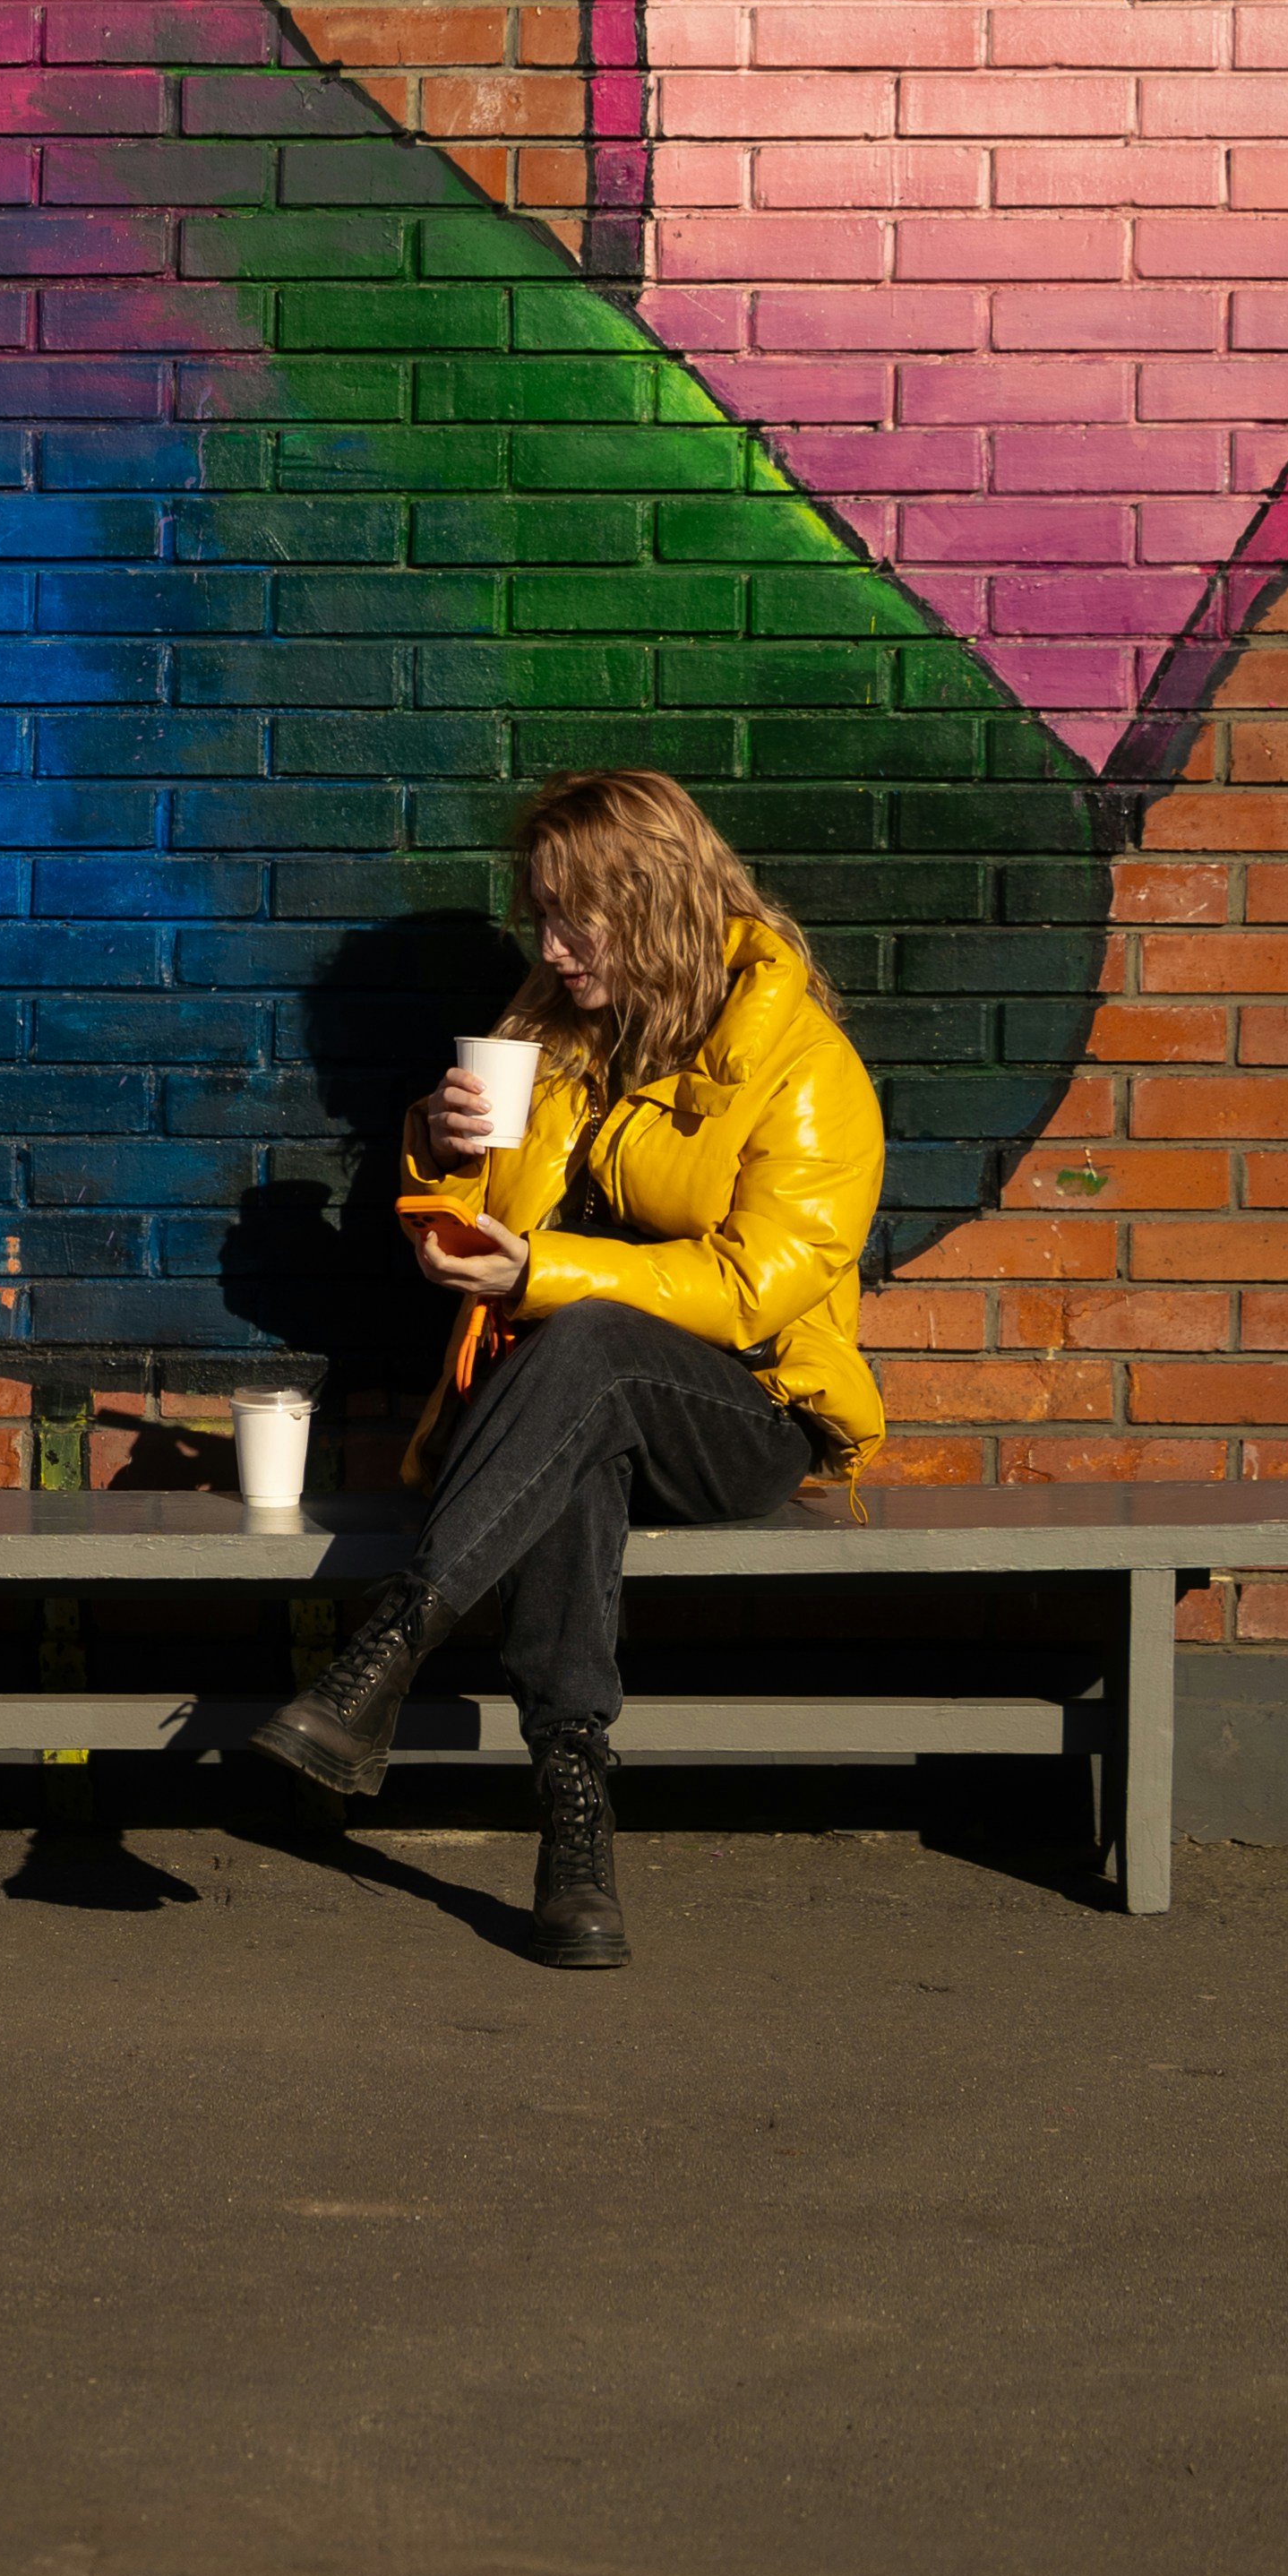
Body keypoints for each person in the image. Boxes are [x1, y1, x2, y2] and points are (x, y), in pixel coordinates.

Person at [250, 767, 887, 1969]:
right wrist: (433, 1153)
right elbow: (474, 1219)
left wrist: (544, 1273)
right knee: (575, 1433)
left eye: (571, 920)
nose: (547, 945)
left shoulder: (804, 1070)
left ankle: (388, 1647)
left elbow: (759, 1292)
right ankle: (575, 1834)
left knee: (582, 1339)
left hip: (744, 1415)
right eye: (537, 913)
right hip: (564, 1410)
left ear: (652, 903)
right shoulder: (544, 1031)